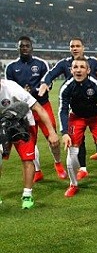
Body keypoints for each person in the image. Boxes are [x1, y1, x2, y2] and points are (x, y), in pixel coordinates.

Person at [38, 37, 97, 180]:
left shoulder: (93, 62)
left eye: (78, 46)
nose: (75, 48)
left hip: (94, 105)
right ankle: (83, 168)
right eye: (72, 46)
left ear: (83, 47)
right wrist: (45, 82)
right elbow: (51, 74)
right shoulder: (64, 64)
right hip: (76, 108)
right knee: (78, 140)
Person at [5, 35, 67, 181]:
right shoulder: (11, 67)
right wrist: (22, 93)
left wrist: (35, 90)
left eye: (27, 45)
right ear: (18, 48)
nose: (24, 48)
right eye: (22, 46)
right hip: (23, 110)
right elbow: (9, 89)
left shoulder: (41, 64)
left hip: (42, 106)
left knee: (53, 138)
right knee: (30, 140)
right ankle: (37, 171)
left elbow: (48, 82)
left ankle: (58, 163)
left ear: (32, 47)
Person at [58, 57, 97, 197]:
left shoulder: (96, 84)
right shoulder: (66, 87)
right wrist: (64, 132)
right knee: (72, 150)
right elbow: (63, 110)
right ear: (71, 70)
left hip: (96, 116)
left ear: (88, 70)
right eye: (75, 67)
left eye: (82, 67)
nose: (78, 70)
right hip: (77, 117)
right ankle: (73, 184)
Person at [0, 78, 59, 208]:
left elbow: (39, 108)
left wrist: (52, 132)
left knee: (27, 159)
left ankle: (27, 194)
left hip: (23, 125)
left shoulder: (12, 88)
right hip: (2, 125)